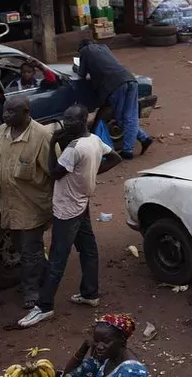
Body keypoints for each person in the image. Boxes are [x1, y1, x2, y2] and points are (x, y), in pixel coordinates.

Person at [18, 105, 122, 328]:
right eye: (65, 119)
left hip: (66, 209)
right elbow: (114, 158)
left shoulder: (73, 148)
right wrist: (90, 173)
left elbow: (53, 172)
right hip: (81, 202)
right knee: (88, 249)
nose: (66, 123)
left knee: (57, 257)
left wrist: (53, 142)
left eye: (72, 120)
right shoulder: (93, 140)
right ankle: (90, 293)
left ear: (84, 120)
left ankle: (44, 306)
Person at [0, 96, 54, 309]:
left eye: (11, 112)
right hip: (9, 204)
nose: (5, 115)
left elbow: (54, 172)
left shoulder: (42, 137)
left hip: (32, 205)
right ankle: (41, 275)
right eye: (5, 111)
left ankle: (31, 290)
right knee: (19, 246)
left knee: (31, 249)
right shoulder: (0, 133)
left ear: (26, 112)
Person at [77, 40, 152, 160]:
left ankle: (128, 150)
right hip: (130, 78)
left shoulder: (85, 51)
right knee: (130, 116)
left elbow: (81, 73)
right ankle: (144, 138)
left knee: (122, 118)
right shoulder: (103, 47)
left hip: (115, 85)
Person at [62, 314, 149, 377]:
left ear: (122, 340)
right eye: (96, 340)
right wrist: (84, 347)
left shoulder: (133, 373)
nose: (99, 346)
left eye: (106, 341)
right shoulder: (105, 358)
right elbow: (69, 375)